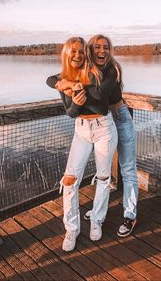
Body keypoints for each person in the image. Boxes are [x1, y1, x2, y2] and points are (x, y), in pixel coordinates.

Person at [46, 37, 118, 252]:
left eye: (81, 51)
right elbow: (70, 112)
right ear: (66, 54)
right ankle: (72, 228)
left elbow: (103, 107)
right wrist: (71, 95)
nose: (77, 55)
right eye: (73, 52)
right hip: (81, 130)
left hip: (104, 127)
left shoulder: (96, 71)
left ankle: (97, 219)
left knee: (103, 177)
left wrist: (79, 91)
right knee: (69, 180)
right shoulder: (63, 78)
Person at [84, 34, 138, 237]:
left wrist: (76, 87)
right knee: (103, 171)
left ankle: (130, 215)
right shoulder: (88, 70)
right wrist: (62, 83)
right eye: (97, 47)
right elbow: (52, 78)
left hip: (120, 118)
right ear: (90, 49)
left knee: (128, 169)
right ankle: (99, 212)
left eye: (106, 47)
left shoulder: (114, 70)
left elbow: (98, 94)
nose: (102, 51)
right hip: (103, 120)